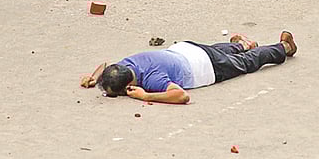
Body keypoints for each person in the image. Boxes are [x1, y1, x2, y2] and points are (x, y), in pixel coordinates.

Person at [80, 31, 297, 104]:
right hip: (186, 50)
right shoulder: (126, 64)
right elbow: (105, 65)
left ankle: (283, 47)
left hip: (205, 67)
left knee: (247, 63)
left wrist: (146, 96)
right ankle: (241, 44)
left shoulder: (152, 80)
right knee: (220, 50)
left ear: (128, 87)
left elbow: (181, 96)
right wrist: (94, 77)